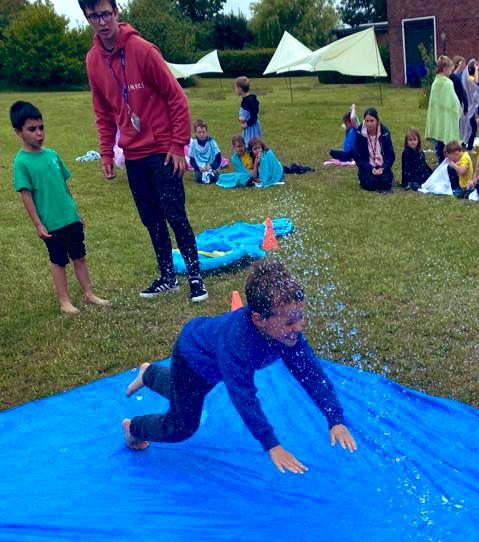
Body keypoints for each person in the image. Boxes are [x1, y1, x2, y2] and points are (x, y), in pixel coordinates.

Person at [122, 260, 357, 469]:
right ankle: (133, 428)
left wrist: (334, 418)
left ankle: (149, 373)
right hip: (192, 357)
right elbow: (243, 395)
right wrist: (271, 444)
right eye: (289, 322)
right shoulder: (238, 343)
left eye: (301, 316)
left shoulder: (288, 336)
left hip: (213, 364)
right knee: (182, 425)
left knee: (184, 391)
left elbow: (312, 376)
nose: (298, 327)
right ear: (258, 319)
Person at [78, 0, 207, 303]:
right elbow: (102, 111)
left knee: (175, 213)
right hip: (133, 154)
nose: (102, 21)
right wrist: (107, 154)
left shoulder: (143, 50)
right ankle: (167, 277)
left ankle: (195, 276)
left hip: (163, 150)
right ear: (87, 18)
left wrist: (178, 146)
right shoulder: (93, 60)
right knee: (150, 217)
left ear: (116, 12)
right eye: (94, 16)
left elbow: (177, 99)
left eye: (106, 13)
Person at [10, 100, 109, 316]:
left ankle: (89, 293)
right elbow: (26, 196)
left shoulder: (52, 155)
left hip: (69, 217)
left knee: (79, 256)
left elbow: (64, 186)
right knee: (59, 261)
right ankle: (64, 301)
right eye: (32, 129)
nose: (39, 133)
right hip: (51, 223)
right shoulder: (21, 163)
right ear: (18, 131)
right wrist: (38, 224)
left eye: (41, 127)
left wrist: (76, 212)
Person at [425, 55, 462, 163]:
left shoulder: (435, 82)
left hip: (438, 119)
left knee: (440, 144)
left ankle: (441, 161)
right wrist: (458, 110)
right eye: (450, 70)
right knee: (448, 143)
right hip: (447, 119)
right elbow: (454, 102)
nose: (451, 72)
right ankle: (448, 162)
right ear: (445, 69)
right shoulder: (448, 83)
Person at [353, 108, 395, 192]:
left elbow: (390, 155)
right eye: (367, 121)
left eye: (372, 121)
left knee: (385, 181)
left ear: (377, 121)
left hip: (381, 167)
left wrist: (383, 168)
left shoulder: (385, 132)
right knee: (370, 183)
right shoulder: (360, 133)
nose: (369, 124)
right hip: (368, 167)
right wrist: (370, 168)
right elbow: (357, 157)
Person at [188, 119, 222, 184]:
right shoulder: (193, 144)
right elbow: (192, 160)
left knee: (215, 177)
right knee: (198, 177)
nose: (202, 135)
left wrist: (210, 166)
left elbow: (218, 158)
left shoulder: (211, 142)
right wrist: (198, 168)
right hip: (200, 168)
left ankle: (214, 173)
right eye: (199, 132)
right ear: (195, 132)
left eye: (203, 132)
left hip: (210, 166)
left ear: (206, 132)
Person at [234, 76, 261, 145]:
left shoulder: (250, 100)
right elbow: (245, 114)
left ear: (240, 88)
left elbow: (254, 117)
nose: (235, 90)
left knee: (252, 145)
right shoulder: (245, 99)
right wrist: (240, 119)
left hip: (252, 128)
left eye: (236, 88)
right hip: (248, 128)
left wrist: (246, 124)